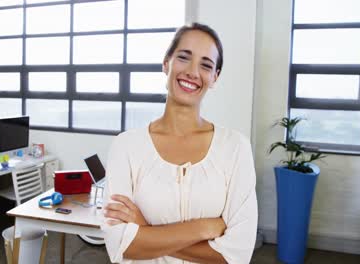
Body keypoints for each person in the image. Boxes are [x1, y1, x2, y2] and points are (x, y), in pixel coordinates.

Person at [102, 22, 257, 264]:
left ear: (215, 77)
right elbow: (121, 244)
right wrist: (204, 228)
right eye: (184, 58)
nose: (193, 72)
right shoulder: (126, 147)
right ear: (166, 63)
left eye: (206, 65)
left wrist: (146, 230)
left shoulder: (236, 147)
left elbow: (237, 255)